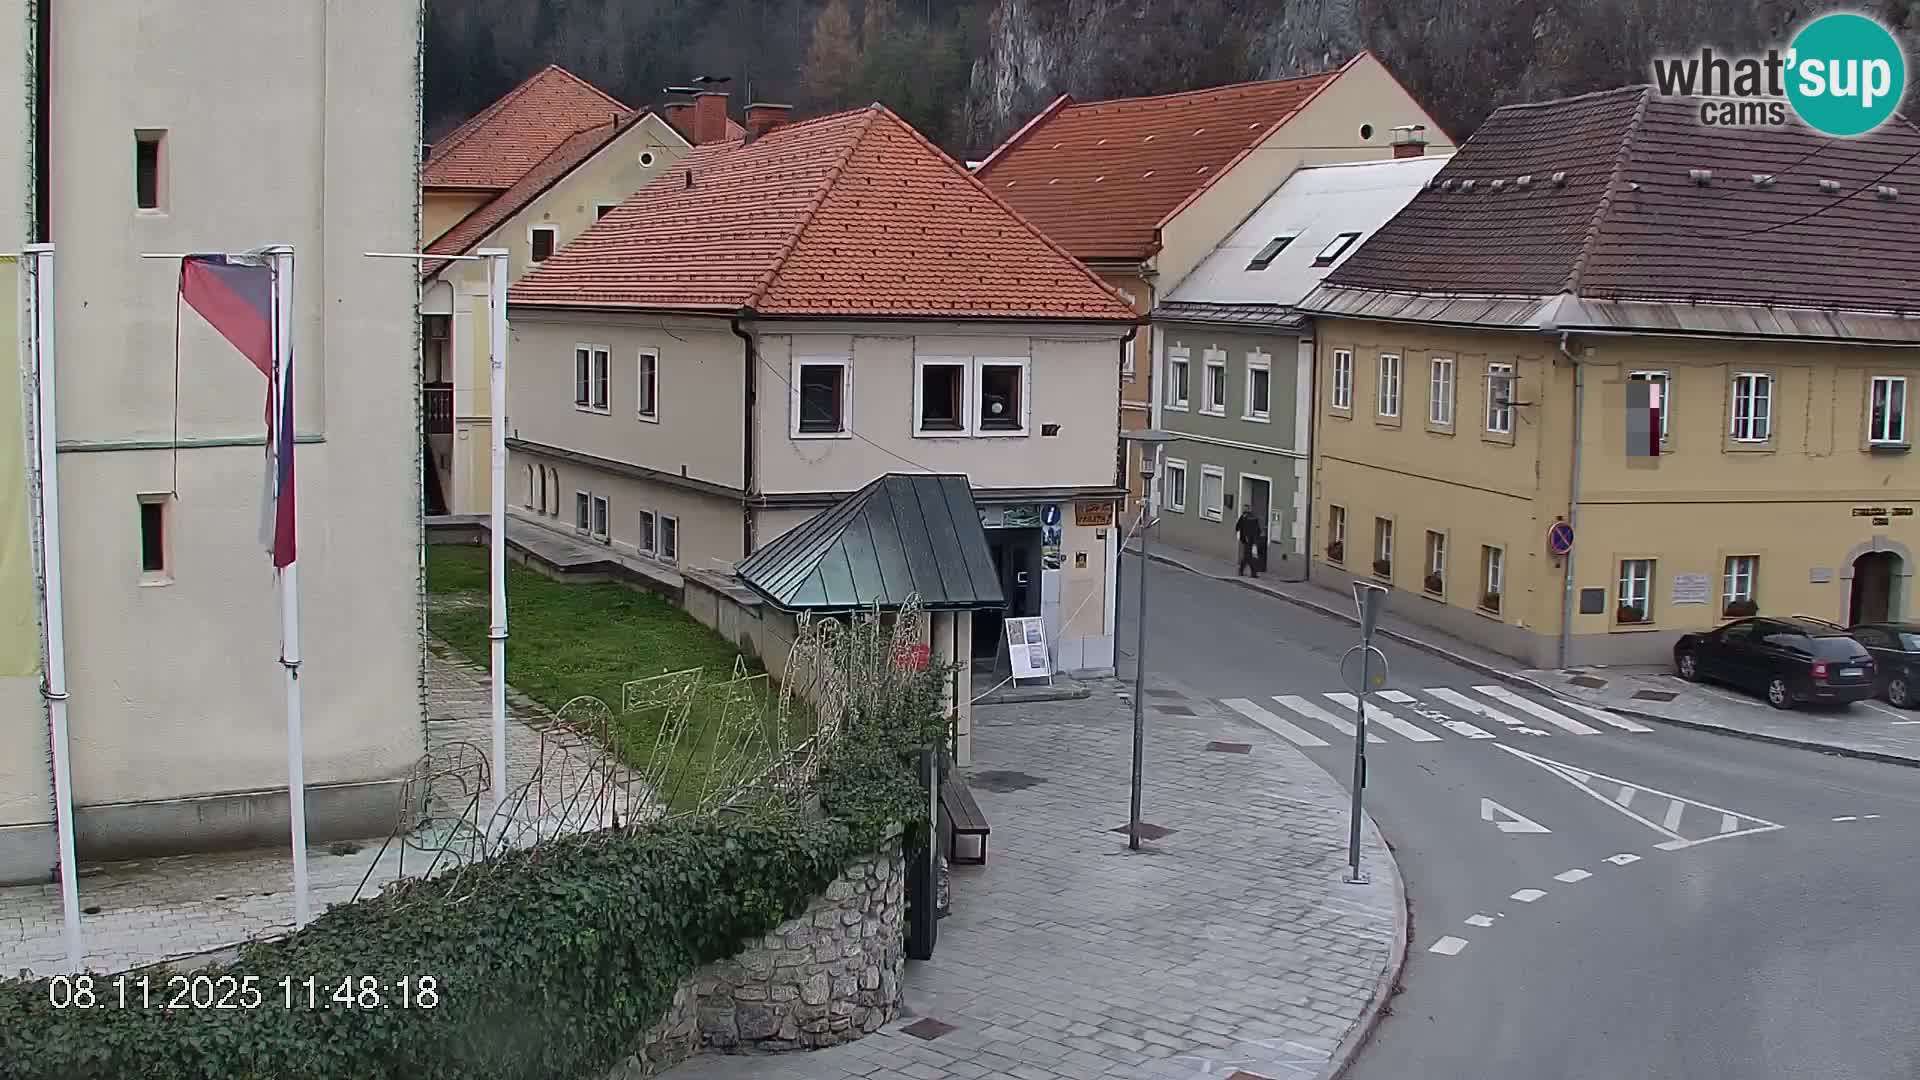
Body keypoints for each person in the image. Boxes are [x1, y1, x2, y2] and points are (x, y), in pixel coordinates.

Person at [1235, 507, 1264, 578]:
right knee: (1249, 556)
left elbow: (1237, 527)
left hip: (1247, 540)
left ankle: (1244, 571)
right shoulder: (1254, 518)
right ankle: (1251, 572)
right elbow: (1258, 530)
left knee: (1248, 556)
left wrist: (1242, 535)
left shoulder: (1243, 517)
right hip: (1253, 540)